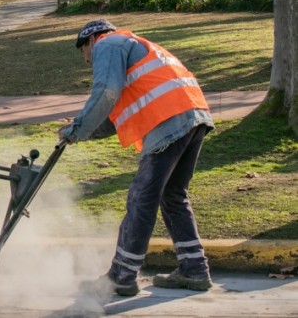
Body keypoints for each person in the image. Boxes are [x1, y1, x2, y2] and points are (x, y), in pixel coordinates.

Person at [59, 19, 214, 297]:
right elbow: (111, 118)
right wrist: (77, 133)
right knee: (173, 194)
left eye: (84, 52)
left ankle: (122, 275)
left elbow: (105, 92)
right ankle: (194, 269)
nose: (86, 60)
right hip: (194, 116)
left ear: (92, 40)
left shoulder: (108, 44)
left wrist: (77, 128)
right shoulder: (137, 48)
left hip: (168, 119)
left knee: (141, 197)